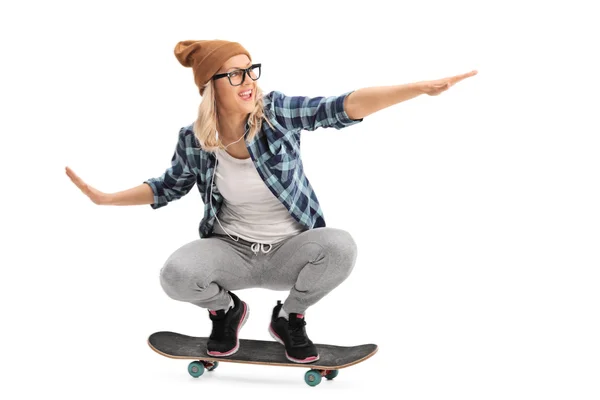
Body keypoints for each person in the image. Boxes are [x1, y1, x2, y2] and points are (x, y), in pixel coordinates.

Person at [66, 39, 477, 363]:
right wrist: (106, 199)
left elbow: (340, 107)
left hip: (290, 252)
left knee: (339, 246)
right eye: (235, 74)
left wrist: (417, 90)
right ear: (211, 85)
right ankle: (226, 311)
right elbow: (167, 186)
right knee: (175, 274)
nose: (249, 81)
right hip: (231, 252)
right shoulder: (194, 140)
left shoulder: (277, 112)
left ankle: (290, 317)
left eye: (251, 70)